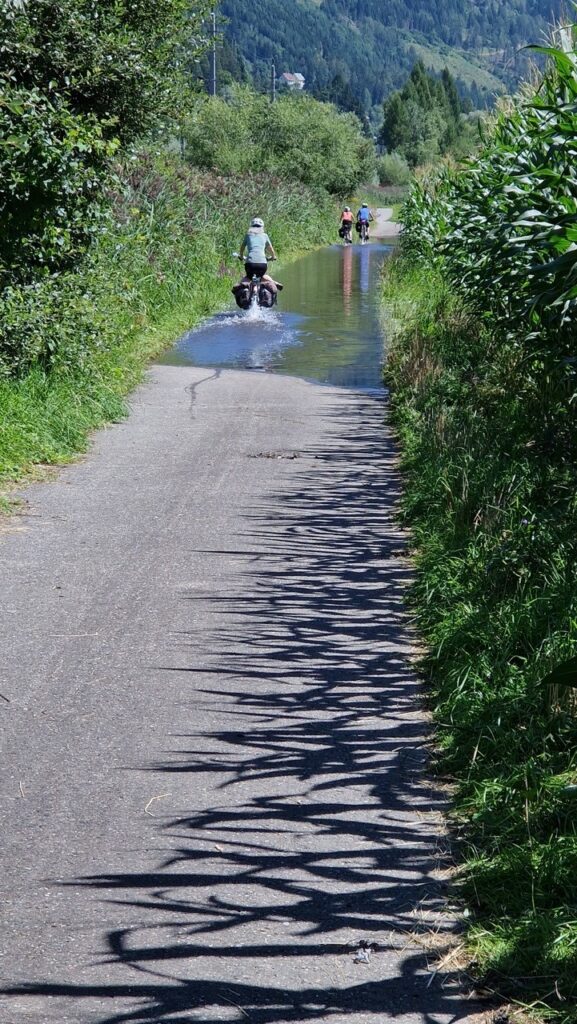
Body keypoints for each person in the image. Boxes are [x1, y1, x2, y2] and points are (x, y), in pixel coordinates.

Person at [239, 217, 277, 283]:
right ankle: (274, 283)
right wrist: (273, 257)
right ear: (262, 227)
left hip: (250, 264)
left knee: (248, 277)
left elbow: (242, 248)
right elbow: (271, 249)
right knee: (262, 276)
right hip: (262, 265)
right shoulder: (265, 236)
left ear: (251, 227)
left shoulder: (248, 235)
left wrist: (241, 257)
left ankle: (239, 287)